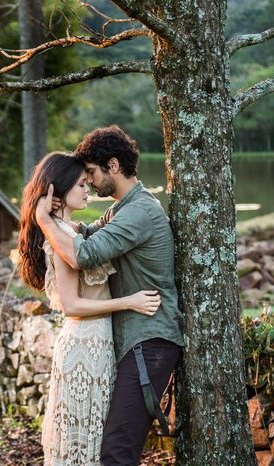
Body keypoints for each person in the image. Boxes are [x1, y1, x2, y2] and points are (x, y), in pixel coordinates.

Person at [35, 127, 185, 466]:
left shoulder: (138, 212)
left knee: (118, 450)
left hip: (150, 340)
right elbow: (86, 235)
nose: (87, 181)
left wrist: (44, 220)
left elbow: (84, 254)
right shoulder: (122, 210)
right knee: (112, 446)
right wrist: (60, 218)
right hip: (135, 341)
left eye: (90, 172)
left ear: (112, 165)